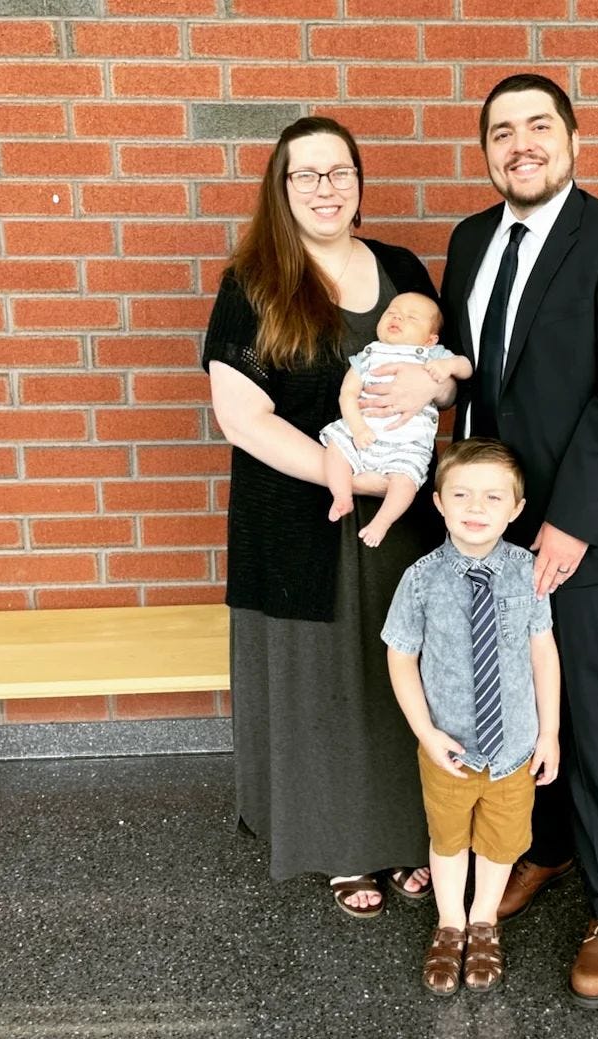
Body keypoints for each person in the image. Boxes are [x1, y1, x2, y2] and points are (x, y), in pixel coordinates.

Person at [372, 74, 598, 1007]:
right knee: (506, 699)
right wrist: (422, 391)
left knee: (583, 708)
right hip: (483, 530)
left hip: (583, 530)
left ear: (573, 139)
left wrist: (569, 524)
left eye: (539, 125)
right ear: (487, 151)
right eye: (502, 131)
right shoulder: (470, 239)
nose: (521, 144)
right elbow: (469, 372)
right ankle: (542, 847)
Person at [202, 115, 461, 919]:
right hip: (295, 517)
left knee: (401, 673)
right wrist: (355, 476)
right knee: (320, 684)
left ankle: (409, 832)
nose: (325, 188)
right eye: (306, 174)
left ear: (358, 182)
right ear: (281, 190)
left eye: (339, 171)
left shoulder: (401, 268)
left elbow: (447, 374)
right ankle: (338, 843)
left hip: (401, 525)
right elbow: (243, 418)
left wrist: (434, 387)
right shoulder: (252, 284)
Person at [382, 438, 560, 995]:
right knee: (448, 838)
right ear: (438, 503)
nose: (476, 507)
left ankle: (483, 922)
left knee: (502, 842)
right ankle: (450, 924)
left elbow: (543, 653)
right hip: (449, 749)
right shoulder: (420, 579)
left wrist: (550, 733)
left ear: (516, 508)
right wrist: (425, 733)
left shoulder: (529, 573)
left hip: (514, 749)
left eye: (492, 497)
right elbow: (400, 657)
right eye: (461, 495)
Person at [320, 291, 473, 547]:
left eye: (411, 318)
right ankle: (342, 495)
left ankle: (382, 521)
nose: (398, 318)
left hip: (406, 442)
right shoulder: (368, 355)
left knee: (405, 481)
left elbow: (466, 367)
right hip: (363, 431)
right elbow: (347, 393)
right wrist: (357, 428)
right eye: (392, 312)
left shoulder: (433, 355)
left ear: (430, 339)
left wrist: (448, 367)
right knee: (335, 447)